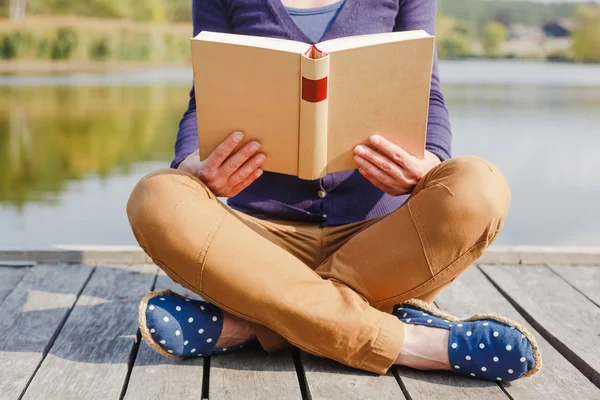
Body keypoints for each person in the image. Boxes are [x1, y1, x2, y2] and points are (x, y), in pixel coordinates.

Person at [127, 0, 541, 382]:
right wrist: (193, 167)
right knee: (157, 197)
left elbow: (428, 94)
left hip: (382, 245)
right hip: (257, 245)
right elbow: (204, 99)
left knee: (480, 186)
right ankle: (414, 342)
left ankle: (255, 324)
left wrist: (428, 163)